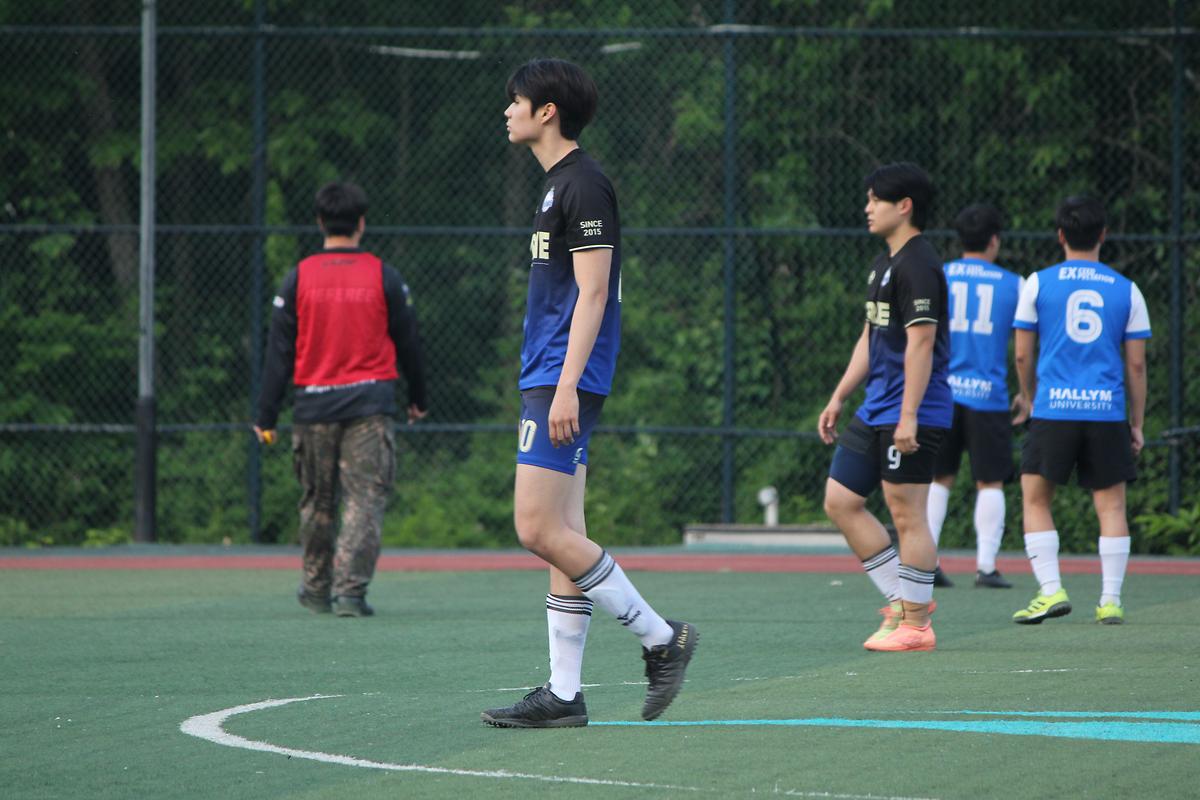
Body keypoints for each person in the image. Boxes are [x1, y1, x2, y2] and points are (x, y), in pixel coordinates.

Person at [481, 58, 696, 728]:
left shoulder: (583, 183)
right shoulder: (557, 186)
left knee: (536, 527)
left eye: (516, 100)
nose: (508, 110)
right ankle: (564, 693)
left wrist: (568, 383)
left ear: (547, 111)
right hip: (551, 373)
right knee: (563, 534)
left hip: (561, 376)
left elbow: (594, 292)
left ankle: (662, 639)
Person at [255, 181, 429, 618]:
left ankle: (316, 588)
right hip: (369, 407)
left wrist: (266, 414)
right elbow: (410, 342)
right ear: (361, 224)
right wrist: (418, 396)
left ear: (320, 222)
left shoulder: (298, 277)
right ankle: (351, 591)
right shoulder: (384, 276)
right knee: (364, 499)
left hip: (313, 406)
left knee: (317, 501)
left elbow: (278, 354)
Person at [818, 162, 952, 653]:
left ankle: (917, 625)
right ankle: (901, 602)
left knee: (906, 511)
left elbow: (922, 343)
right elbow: (870, 337)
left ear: (905, 206)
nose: (867, 208)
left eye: (876, 199)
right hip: (877, 406)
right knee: (840, 500)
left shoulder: (920, 264)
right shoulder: (884, 263)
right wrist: (839, 396)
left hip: (913, 408)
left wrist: (909, 415)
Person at [1010, 195, 1150, 625]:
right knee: (1111, 508)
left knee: (1036, 498)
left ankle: (1051, 589)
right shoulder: (1127, 289)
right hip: (1106, 411)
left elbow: (1022, 353)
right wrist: (1136, 423)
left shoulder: (1037, 283)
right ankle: (1110, 600)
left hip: (1054, 409)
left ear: (1060, 236)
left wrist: (1028, 396)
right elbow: (1136, 365)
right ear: (1103, 234)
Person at [926, 204, 1025, 590]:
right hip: (989, 397)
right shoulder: (1014, 284)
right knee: (991, 481)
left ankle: (927, 561)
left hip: (941, 393)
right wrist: (1026, 393)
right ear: (994, 240)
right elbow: (1023, 347)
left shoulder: (940, 276)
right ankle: (986, 566)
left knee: (938, 478)